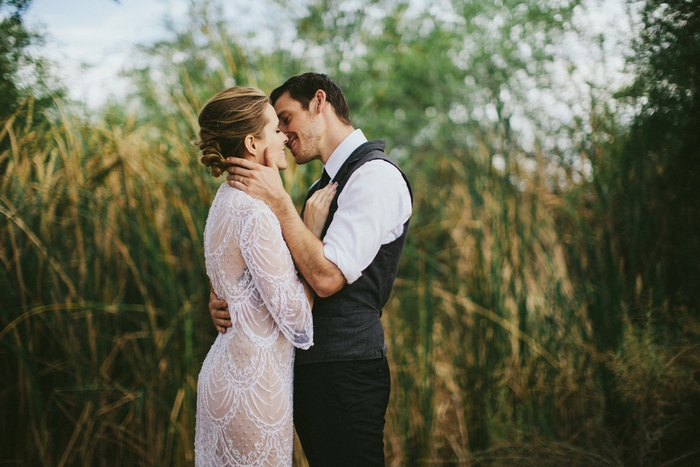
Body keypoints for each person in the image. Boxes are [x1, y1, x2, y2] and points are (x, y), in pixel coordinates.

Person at [209, 73, 413, 466]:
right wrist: (227, 301)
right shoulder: (322, 187)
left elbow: (326, 278)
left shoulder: (375, 176)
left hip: (346, 371)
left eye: (286, 118)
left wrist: (284, 207)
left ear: (319, 102)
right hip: (305, 373)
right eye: (277, 124)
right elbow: (275, 279)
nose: (283, 133)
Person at [194, 86, 336, 467]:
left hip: (227, 373)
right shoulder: (255, 213)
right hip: (252, 386)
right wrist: (310, 232)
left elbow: (232, 286)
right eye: (275, 130)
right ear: (253, 143)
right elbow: (295, 318)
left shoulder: (223, 201)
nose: (284, 138)